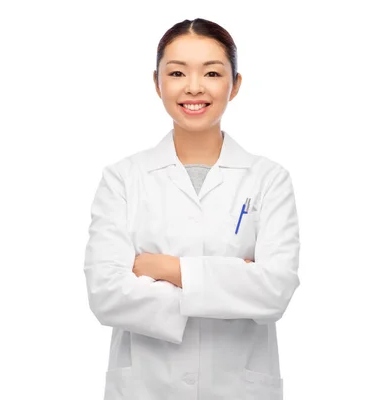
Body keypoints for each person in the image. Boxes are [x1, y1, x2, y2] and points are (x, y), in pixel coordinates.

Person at [84, 17, 300, 400]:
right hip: (147, 388)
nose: (194, 87)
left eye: (212, 72)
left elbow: (275, 291)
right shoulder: (122, 178)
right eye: (178, 72)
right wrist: (234, 281)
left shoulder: (268, 179)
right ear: (157, 83)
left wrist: (165, 269)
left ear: (234, 85)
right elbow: (107, 295)